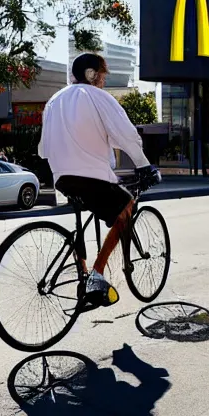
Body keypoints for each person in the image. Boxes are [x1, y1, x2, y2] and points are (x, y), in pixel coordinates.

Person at [38, 53, 160, 307]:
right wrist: (144, 166)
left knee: (81, 219)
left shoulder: (54, 100)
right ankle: (97, 273)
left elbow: (42, 150)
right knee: (126, 208)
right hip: (91, 176)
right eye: (102, 76)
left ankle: (83, 274)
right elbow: (125, 134)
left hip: (61, 176)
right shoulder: (96, 96)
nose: (103, 81)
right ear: (92, 75)